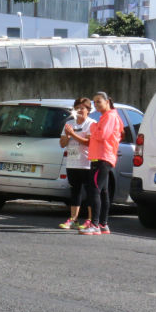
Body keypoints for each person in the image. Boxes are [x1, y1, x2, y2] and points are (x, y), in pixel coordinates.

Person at [81, 91, 123, 236]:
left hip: (102, 158)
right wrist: (95, 130)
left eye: (99, 101)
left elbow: (102, 135)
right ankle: (103, 224)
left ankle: (94, 224)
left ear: (107, 101)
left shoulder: (110, 116)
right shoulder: (106, 117)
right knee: (103, 191)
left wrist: (92, 129)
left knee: (94, 190)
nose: (96, 104)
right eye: (94, 102)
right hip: (102, 157)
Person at [59, 97, 95, 230]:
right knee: (75, 191)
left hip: (87, 163)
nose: (79, 110)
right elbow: (62, 144)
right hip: (72, 163)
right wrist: (67, 136)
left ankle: (90, 220)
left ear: (88, 110)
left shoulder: (91, 124)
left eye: (82, 108)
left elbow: (88, 142)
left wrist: (72, 134)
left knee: (90, 192)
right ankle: (73, 219)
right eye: (77, 108)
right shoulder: (69, 123)